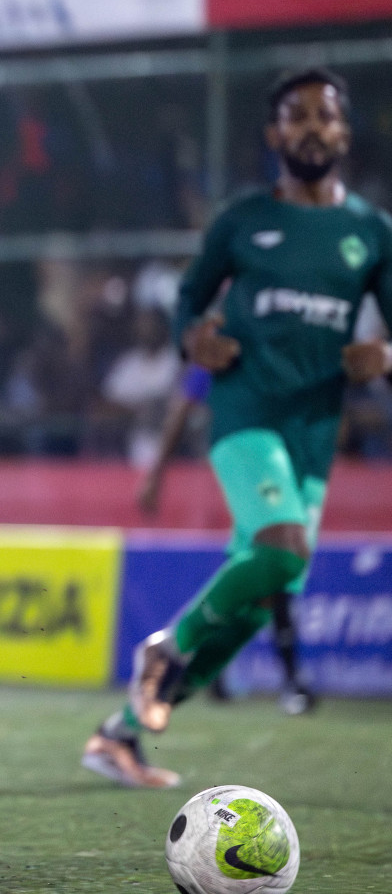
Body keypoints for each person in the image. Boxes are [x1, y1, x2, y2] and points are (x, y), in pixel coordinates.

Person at [83, 68, 392, 788]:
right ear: (274, 134)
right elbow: (189, 299)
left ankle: (120, 736)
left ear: (345, 132)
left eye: (326, 115)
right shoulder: (243, 219)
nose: (313, 126)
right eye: (297, 116)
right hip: (245, 411)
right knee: (282, 554)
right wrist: (194, 336)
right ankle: (167, 650)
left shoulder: (371, 233)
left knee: (258, 605)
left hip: (315, 426)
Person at [136, 361, 317, 715]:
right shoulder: (222, 344)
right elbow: (187, 401)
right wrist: (157, 473)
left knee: (261, 571)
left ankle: (212, 673)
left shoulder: (272, 342)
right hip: (251, 463)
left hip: (278, 463)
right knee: (275, 566)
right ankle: (287, 679)